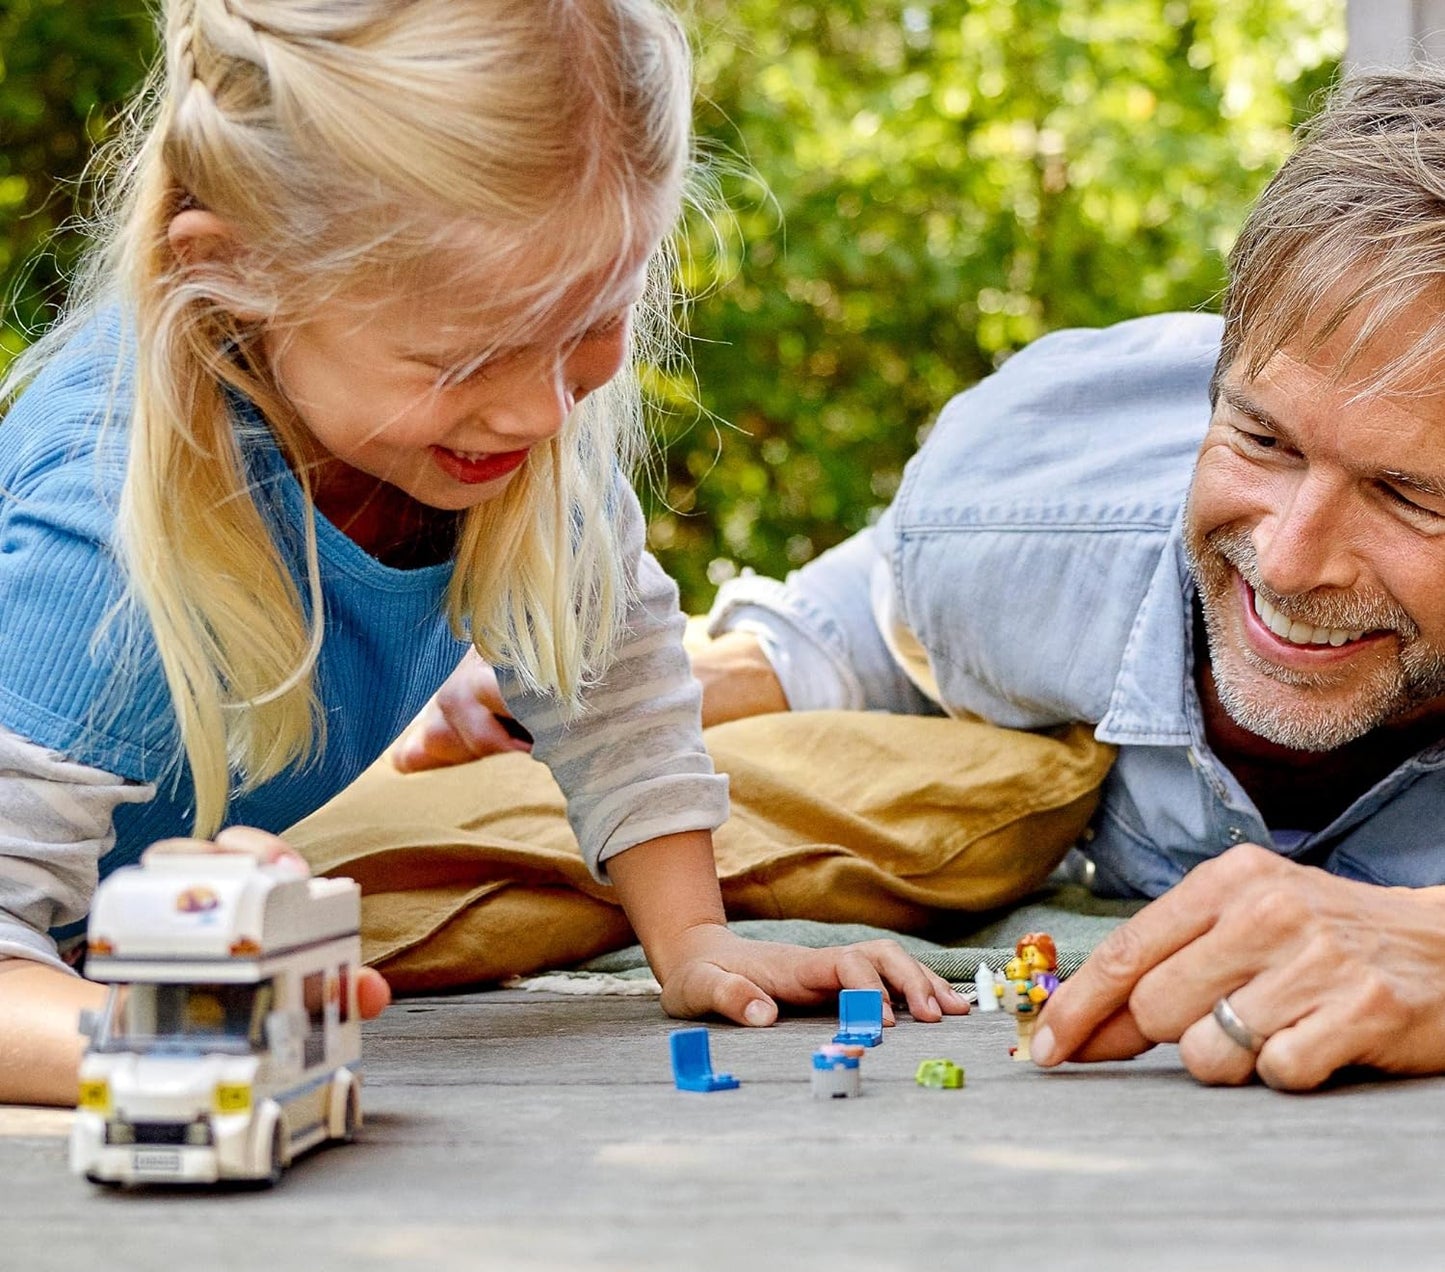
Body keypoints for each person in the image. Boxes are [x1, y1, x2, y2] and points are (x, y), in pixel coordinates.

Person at [0, 0, 966, 1107]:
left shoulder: (488, 442)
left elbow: (611, 683)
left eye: (595, 318)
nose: (541, 409)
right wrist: (182, 1037)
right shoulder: (101, 520)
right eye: (467, 358)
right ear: (242, 271)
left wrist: (694, 937)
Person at [413, 69, 1445, 1092]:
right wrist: (651, 686)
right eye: (1258, 437)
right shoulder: (1018, 521)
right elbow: (878, 631)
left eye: (1409, 497)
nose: (1289, 560)